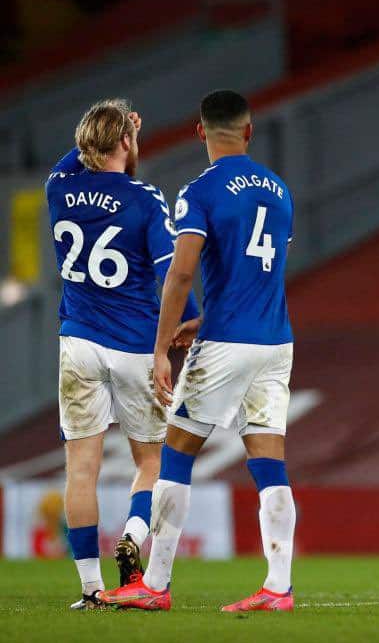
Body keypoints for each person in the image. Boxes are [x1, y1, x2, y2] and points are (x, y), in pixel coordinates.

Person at [101, 90, 296, 612]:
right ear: (249, 132)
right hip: (276, 341)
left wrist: (163, 345)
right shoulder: (279, 191)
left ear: (200, 131)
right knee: (270, 465)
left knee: (176, 456)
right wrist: (204, 320)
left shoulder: (200, 191)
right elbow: (261, 274)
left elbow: (181, 272)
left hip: (226, 344)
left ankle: (155, 584)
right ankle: (279, 588)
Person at [46, 100, 200, 610]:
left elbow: (68, 164)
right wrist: (189, 319)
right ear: (127, 143)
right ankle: (134, 531)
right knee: (151, 458)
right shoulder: (142, 199)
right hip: (135, 344)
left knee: (81, 469)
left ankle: (90, 589)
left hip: (79, 342)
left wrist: (100, 134)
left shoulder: (59, 189)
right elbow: (170, 270)